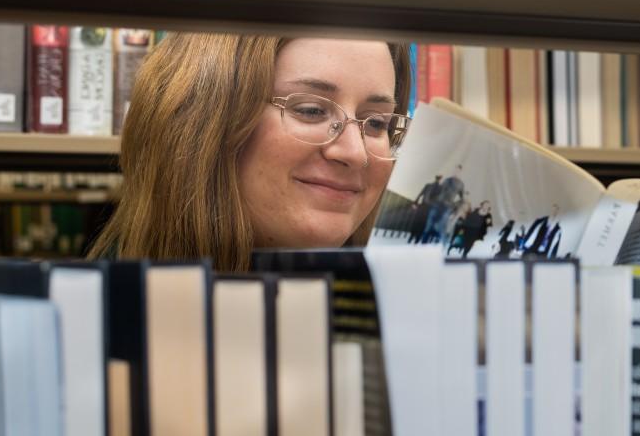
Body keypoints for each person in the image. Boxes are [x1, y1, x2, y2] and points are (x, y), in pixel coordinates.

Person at [87, 34, 412, 271]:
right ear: (202, 125)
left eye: (375, 123)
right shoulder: (96, 327)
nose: (356, 153)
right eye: (312, 111)